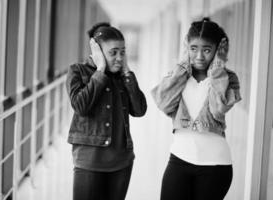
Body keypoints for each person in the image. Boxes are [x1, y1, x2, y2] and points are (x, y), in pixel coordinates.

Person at [151, 17, 242, 200]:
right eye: (193, 49)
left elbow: (219, 109)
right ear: (187, 48)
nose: (199, 56)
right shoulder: (179, 75)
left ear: (218, 50)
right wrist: (183, 65)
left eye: (207, 50)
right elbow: (163, 102)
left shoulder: (228, 78)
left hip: (216, 165)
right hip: (179, 158)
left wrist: (217, 70)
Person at [66, 22, 147, 200]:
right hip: (89, 162)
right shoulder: (78, 71)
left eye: (122, 52)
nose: (119, 57)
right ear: (98, 52)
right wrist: (101, 70)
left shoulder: (123, 77)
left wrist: (127, 73)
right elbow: (81, 106)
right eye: (113, 52)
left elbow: (140, 110)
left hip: (122, 162)